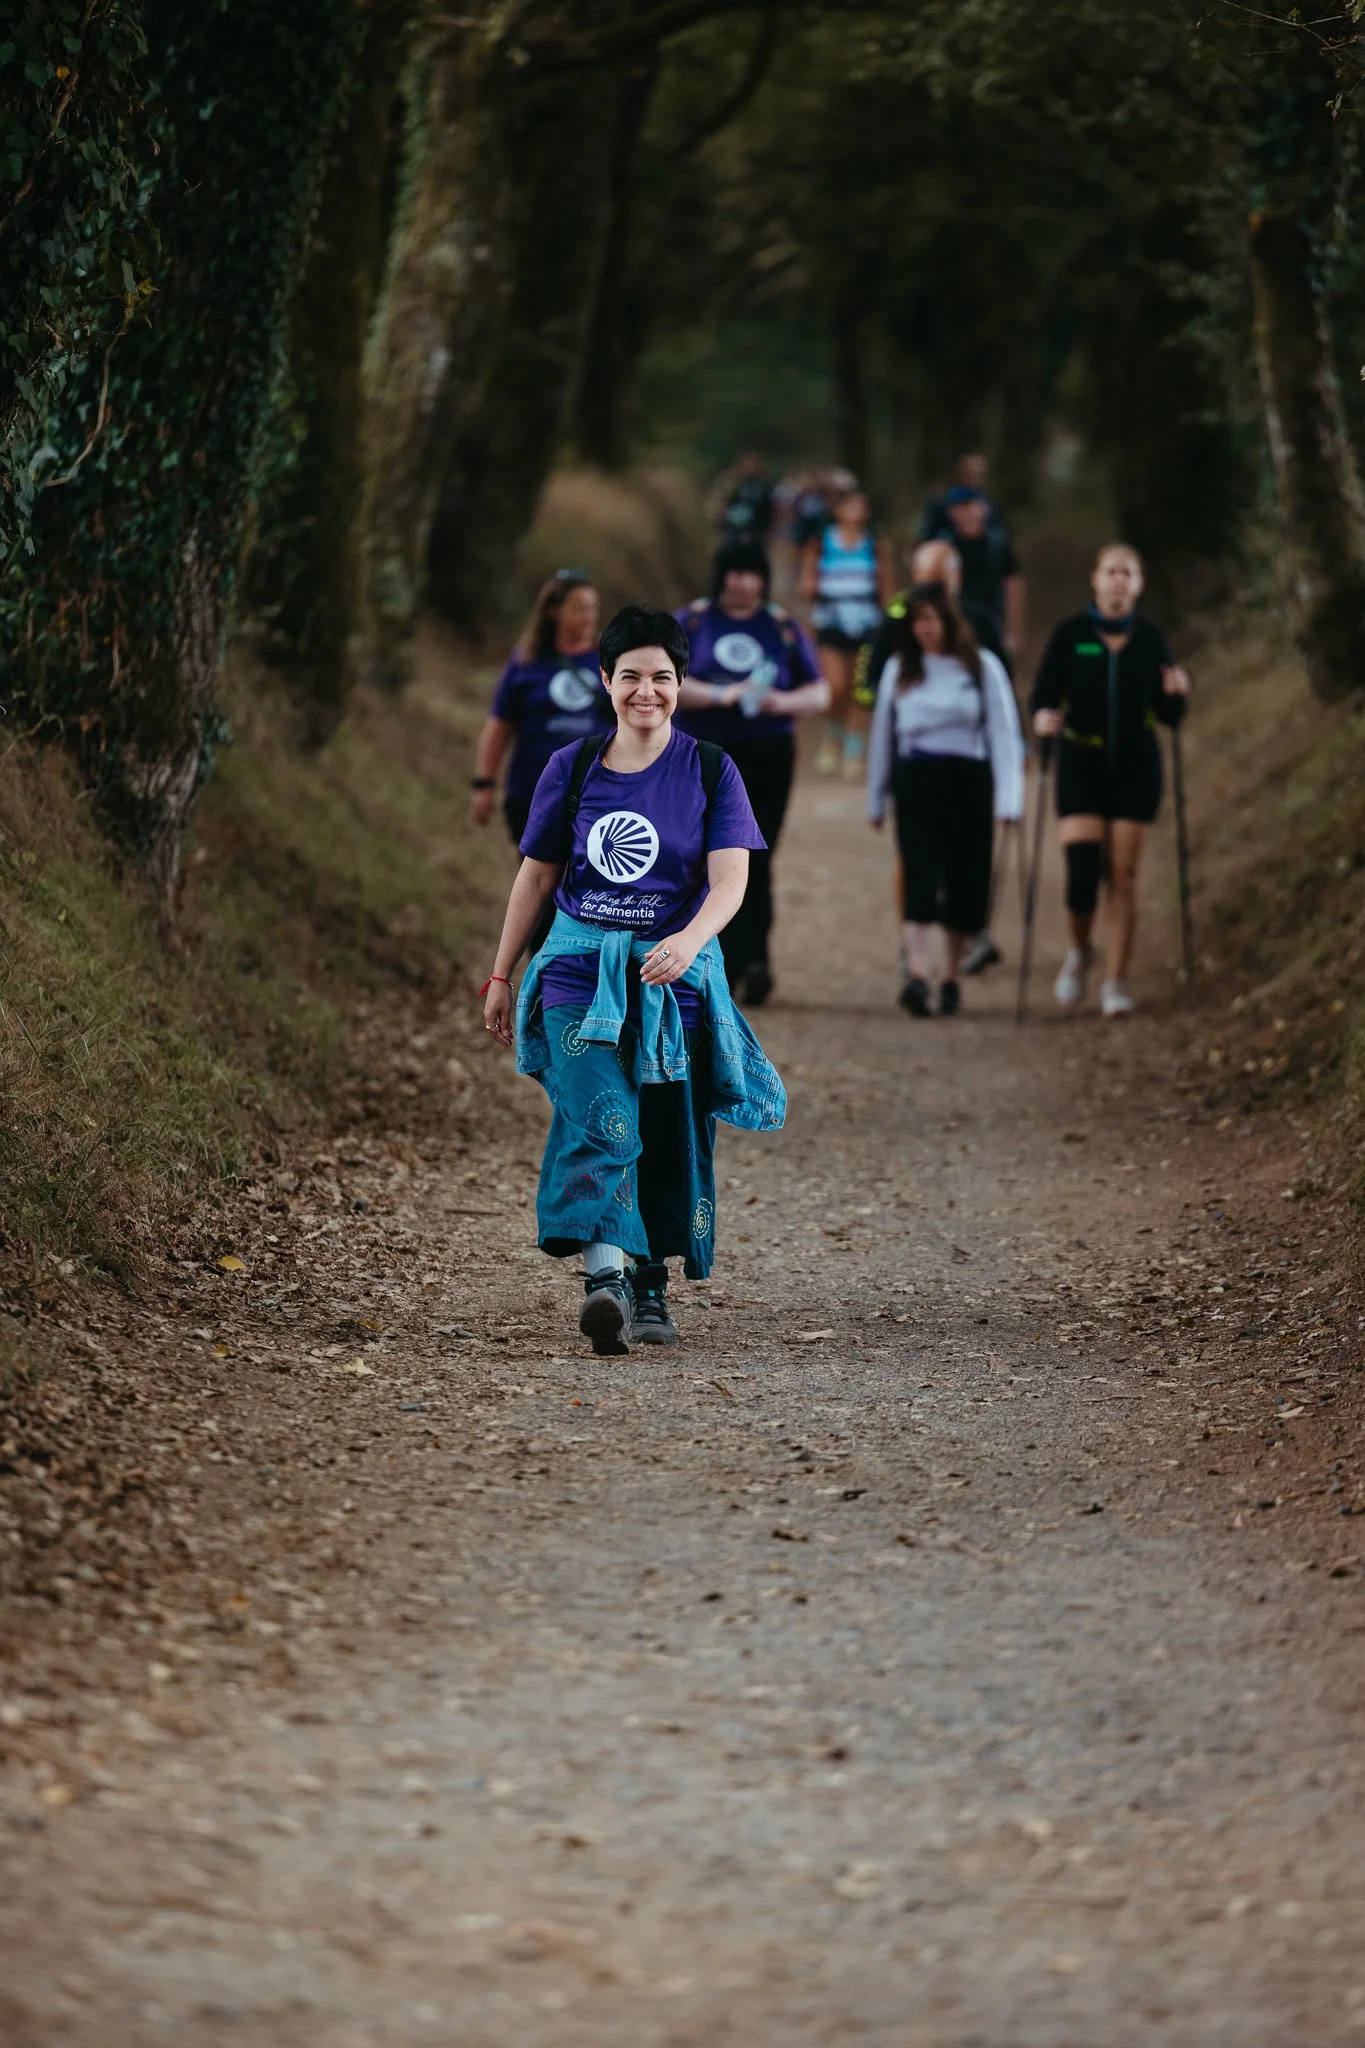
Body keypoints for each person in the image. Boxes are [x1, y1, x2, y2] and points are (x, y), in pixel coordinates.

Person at [481, 603, 786, 1358]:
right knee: (601, 1117)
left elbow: (729, 883)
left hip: (670, 979)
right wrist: (501, 971)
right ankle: (605, 1282)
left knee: (661, 1130)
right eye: (629, 677)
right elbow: (538, 874)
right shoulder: (572, 767)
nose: (644, 691)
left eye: (660, 677)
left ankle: (650, 1284)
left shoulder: (711, 769)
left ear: (680, 683)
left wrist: (686, 943)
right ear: (604, 681)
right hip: (577, 971)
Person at [1030, 542, 1191, 1018]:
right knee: (1081, 870)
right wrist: (1042, 719)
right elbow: (1042, 695)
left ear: (1138, 584)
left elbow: (1168, 714)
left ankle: (1116, 980)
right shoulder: (1071, 634)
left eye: (1128, 573)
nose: (1119, 580)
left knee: (1122, 875)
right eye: (1111, 572)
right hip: (1081, 759)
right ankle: (1080, 951)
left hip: (1136, 766)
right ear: (1095, 579)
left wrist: (1179, 693)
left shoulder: (1150, 639)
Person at [675, 540, 829, 1007]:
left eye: (750, 573)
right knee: (699, 854)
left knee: (755, 853)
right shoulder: (693, 621)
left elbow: (819, 691)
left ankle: (755, 958)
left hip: (767, 750)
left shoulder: (781, 626)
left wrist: (778, 702)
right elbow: (666, 678)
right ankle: (707, 959)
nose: (742, 583)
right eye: (733, 572)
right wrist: (723, 696)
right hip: (703, 750)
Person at [855, 539, 1013, 976]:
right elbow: (873, 690)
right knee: (916, 859)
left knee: (965, 862)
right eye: (926, 580)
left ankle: (963, 943)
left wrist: (1010, 791)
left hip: (966, 770)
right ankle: (916, 948)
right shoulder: (895, 621)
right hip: (916, 768)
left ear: (957, 579)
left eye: (941, 580)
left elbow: (1002, 710)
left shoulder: (982, 625)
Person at [470, 571, 609, 843]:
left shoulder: (611, 659)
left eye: (593, 608)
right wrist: (484, 783)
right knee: (538, 880)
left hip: (596, 794)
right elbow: (500, 724)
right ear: (553, 611)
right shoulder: (526, 662)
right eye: (579, 608)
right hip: (532, 792)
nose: (589, 616)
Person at [801, 485, 891, 776]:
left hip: (867, 624)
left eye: (861, 506)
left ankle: (854, 748)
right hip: (831, 622)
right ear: (837, 511)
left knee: (860, 688)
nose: (857, 512)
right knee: (836, 685)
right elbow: (807, 583)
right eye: (850, 506)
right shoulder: (821, 543)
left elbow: (887, 587)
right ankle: (833, 735)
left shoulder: (875, 544)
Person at [940, 486, 1026, 663]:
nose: (966, 513)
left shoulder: (998, 544)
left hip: (994, 622)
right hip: (959, 625)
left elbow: (1013, 584)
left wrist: (1013, 630)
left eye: (970, 505)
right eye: (960, 507)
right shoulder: (945, 546)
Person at [712, 451, 775, 547]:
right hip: (733, 530)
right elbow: (723, 504)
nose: (750, 468)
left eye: (753, 465)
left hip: (756, 532)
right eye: (747, 465)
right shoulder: (735, 484)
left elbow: (769, 511)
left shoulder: (764, 487)